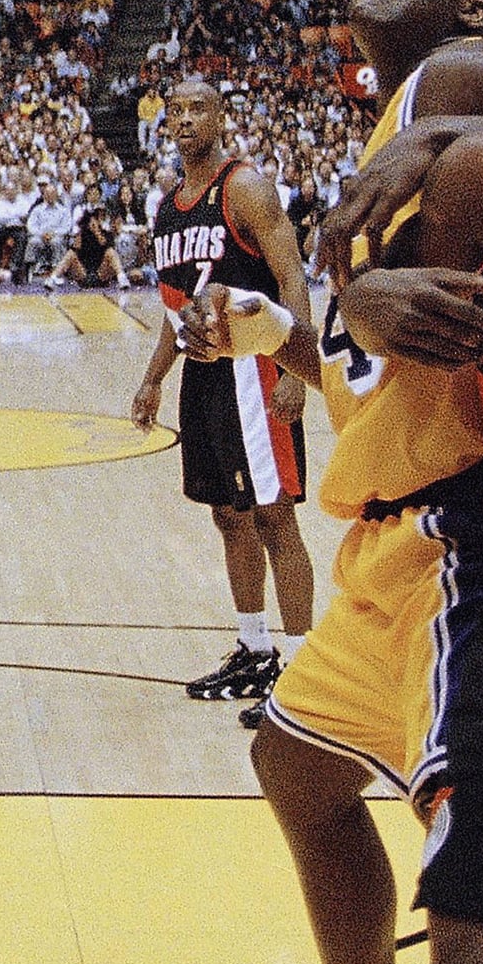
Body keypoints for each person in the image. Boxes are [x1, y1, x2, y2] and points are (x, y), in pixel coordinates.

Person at [219, 0, 483, 964]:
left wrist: (445, 129)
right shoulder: (395, 126)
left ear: (480, 9)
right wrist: (303, 312)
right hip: (391, 536)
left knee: (476, 914)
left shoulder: (451, 83)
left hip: (460, 532)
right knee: (296, 767)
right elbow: (366, 344)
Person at [131, 76, 316, 725]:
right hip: (204, 377)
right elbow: (176, 309)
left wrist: (297, 366)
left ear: (220, 117)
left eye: (198, 108)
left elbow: (292, 275)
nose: (185, 119)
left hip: (257, 371)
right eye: (176, 110)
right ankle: (255, 649)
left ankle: (302, 675)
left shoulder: (244, 188)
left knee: (274, 518)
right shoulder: (168, 208)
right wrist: (154, 377)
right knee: (229, 516)